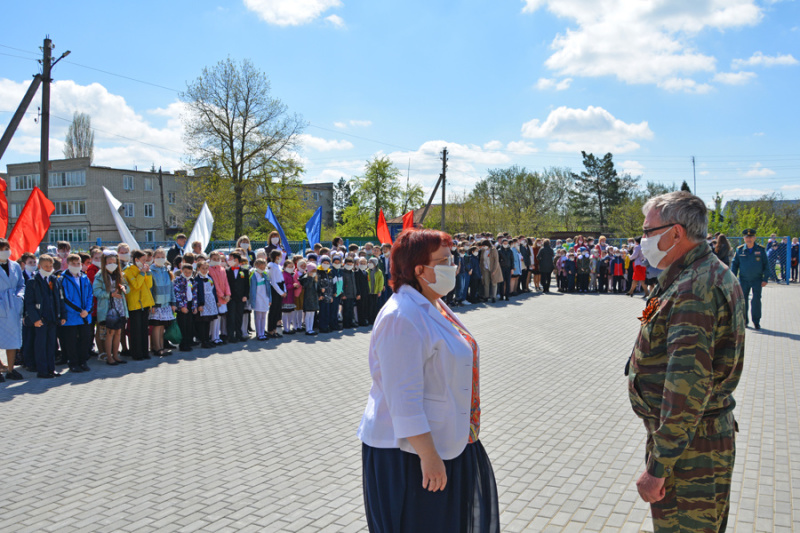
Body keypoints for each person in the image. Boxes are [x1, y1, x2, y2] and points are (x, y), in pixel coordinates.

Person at [358, 229, 499, 532]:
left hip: (446, 443)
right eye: (445, 261)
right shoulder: (401, 316)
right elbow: (403, 399)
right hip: (410, 456)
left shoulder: (432, 303)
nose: (454, 267)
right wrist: (429, 456)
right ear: (419, 270)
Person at [627, 191, 744, 532]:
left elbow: (686, 386)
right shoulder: (688, 276)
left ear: (675, 233)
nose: (642, 239)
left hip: (690, 450)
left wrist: (658, 467)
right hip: (692, 440)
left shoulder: (695, 287)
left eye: (648, 231)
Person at [24, 255, 67, 378]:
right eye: (45, 266)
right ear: (39, 266)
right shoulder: (33, 282)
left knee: (51, 345)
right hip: (40, 319)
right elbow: (29, 303)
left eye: (50, 266)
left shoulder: (54, 280)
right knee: (41, 345)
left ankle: (51, 369)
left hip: (53, 318)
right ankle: (42, 370)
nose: (49, 269)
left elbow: (60, 298)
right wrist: (35, 319)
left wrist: (62, 315)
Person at [58, 253, 94, 373]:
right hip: (72, 316)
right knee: (71, 341)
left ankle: (83, 361)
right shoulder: (62, 279)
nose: (76, 266)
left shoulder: (84, 278)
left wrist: (87, 310)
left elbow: (90, 295)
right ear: (67, 264)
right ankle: (73, 363)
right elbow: (66, 298)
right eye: (73, 264)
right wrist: (79, 310)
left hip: (84, 316)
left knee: (85, 339)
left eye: (78, 263)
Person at [93, 251, 128, 366]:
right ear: (105, 262)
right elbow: (96, 291)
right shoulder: (100, 275)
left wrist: (124, 288)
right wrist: (110, 294)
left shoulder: (119, 274)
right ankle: (109, 357)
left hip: (120, 306)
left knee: (118, 332)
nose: (112, 264)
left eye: (114, 261)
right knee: (110, 332)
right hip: (107, 307)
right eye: (109, 262)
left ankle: (116, 355)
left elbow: (128, 289)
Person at [730, 228, 770, 330]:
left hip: (757, 280)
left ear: (755, 237)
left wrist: (765, 278)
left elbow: (766, 265)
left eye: (751, 237)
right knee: (743, 301)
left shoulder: (760, 250)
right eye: (747, 237)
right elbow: (734, 265)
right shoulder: (739, 250)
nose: (749, 239)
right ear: (744, 238)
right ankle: (744, 321)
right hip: (743, 280)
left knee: (756, 301)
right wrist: (732, 279)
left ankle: (756, 322)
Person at [0, 238, 25, 381]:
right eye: (1, 249)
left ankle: (10, 370)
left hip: (13, 307)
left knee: (13, 340)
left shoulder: (15, 266)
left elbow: (21, 284)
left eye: (6, 249)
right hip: (1, 305)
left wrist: (19, 297)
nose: (4, 252)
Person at [124, 251, 154, 360]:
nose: (145, 262)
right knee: (136, 330)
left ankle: (145, 352)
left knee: (144, 330)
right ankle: (136, 353)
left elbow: (149, 285)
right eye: (143, 260)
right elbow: (136, 285)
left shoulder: (143, 270)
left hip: (145, 303)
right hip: (135, 304)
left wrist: (148, 273)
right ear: (136, 260)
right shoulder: (128, 271)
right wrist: (142, 273)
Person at [149, 248, 175, 357]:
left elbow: (171, 287)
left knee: (161, 327)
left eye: (162, 257)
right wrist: (152, 304)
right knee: (156, 326)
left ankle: (161, 346)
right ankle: (157, 348)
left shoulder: (167, 270)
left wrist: (173, 302)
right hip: (156, 303)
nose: (160, 259)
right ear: (153, 258)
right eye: (158, 257)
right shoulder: (151, 271)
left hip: (166, 303)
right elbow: (150, 289)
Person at [194, 260, 219, 348]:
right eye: (202, 268)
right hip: (203, 302)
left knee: (208, 322)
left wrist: (216, 301)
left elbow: (213, 290)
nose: (204, 270)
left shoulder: (209, 277)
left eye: (206, 268)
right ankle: (203, 341)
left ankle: (207, 339)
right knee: (202, 323)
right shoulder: (197, 279)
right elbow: (196, 293)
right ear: (198, 269)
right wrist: (199, 304)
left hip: (210, 302)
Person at [226, 252, 250, 342]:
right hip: (231, 297)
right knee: (231, 317)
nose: (229, 260)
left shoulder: (244, 271)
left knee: (239, 316)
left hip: (240, 298)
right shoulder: (227, 271)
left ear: (236, 260)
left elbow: (247, 285)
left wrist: (245, 295)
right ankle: (231, 335)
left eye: (231, 258)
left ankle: (239, 334)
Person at [249, 258, 271, 341]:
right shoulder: (254, 275)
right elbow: (252, 290)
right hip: (257, 299)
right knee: (258, 317)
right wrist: (252, 301)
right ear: (256, 266)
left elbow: (268, 288)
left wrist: (270, 299)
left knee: (263, 316)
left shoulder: (265, 275)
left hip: (265, 298)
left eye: (263, 267)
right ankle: (259, 333)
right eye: (261, 267)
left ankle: (263, 332)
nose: (262, 269)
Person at [266, 249, 285, 339]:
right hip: (275, 289)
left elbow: (282, 279)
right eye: (279, 256)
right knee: (273, 310)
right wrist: (281, 292)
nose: (280, 258)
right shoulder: (271, 266)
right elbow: (273, 282)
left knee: (278, 310)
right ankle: (270, 330)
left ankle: (275, 329)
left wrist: (284, 290)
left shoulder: (278, 266)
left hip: (280, 287)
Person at [300, 262, 320, 336]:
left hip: (314, 299)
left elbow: (317, 288)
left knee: (312, 314)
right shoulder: (306, 278)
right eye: (312, 271)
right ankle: (307, 329)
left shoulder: (315, 278)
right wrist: (310, 278)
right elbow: (307, 286)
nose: (313, 273)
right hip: (308, 299)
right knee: (308, 315)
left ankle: (311, 328)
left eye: (315, 271)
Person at [341, 257, 358, 328]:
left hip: (352, 294)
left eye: (351, 264)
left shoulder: (352, 273)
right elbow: (341, 284)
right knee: (346, 309)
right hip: (346, 294)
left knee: (351, 309)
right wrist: (343, 294)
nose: (349, 266)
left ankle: (351, 322)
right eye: (348, 264)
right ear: (344, 264)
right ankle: (346, 323)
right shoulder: (343, 273)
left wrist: (356, 293)